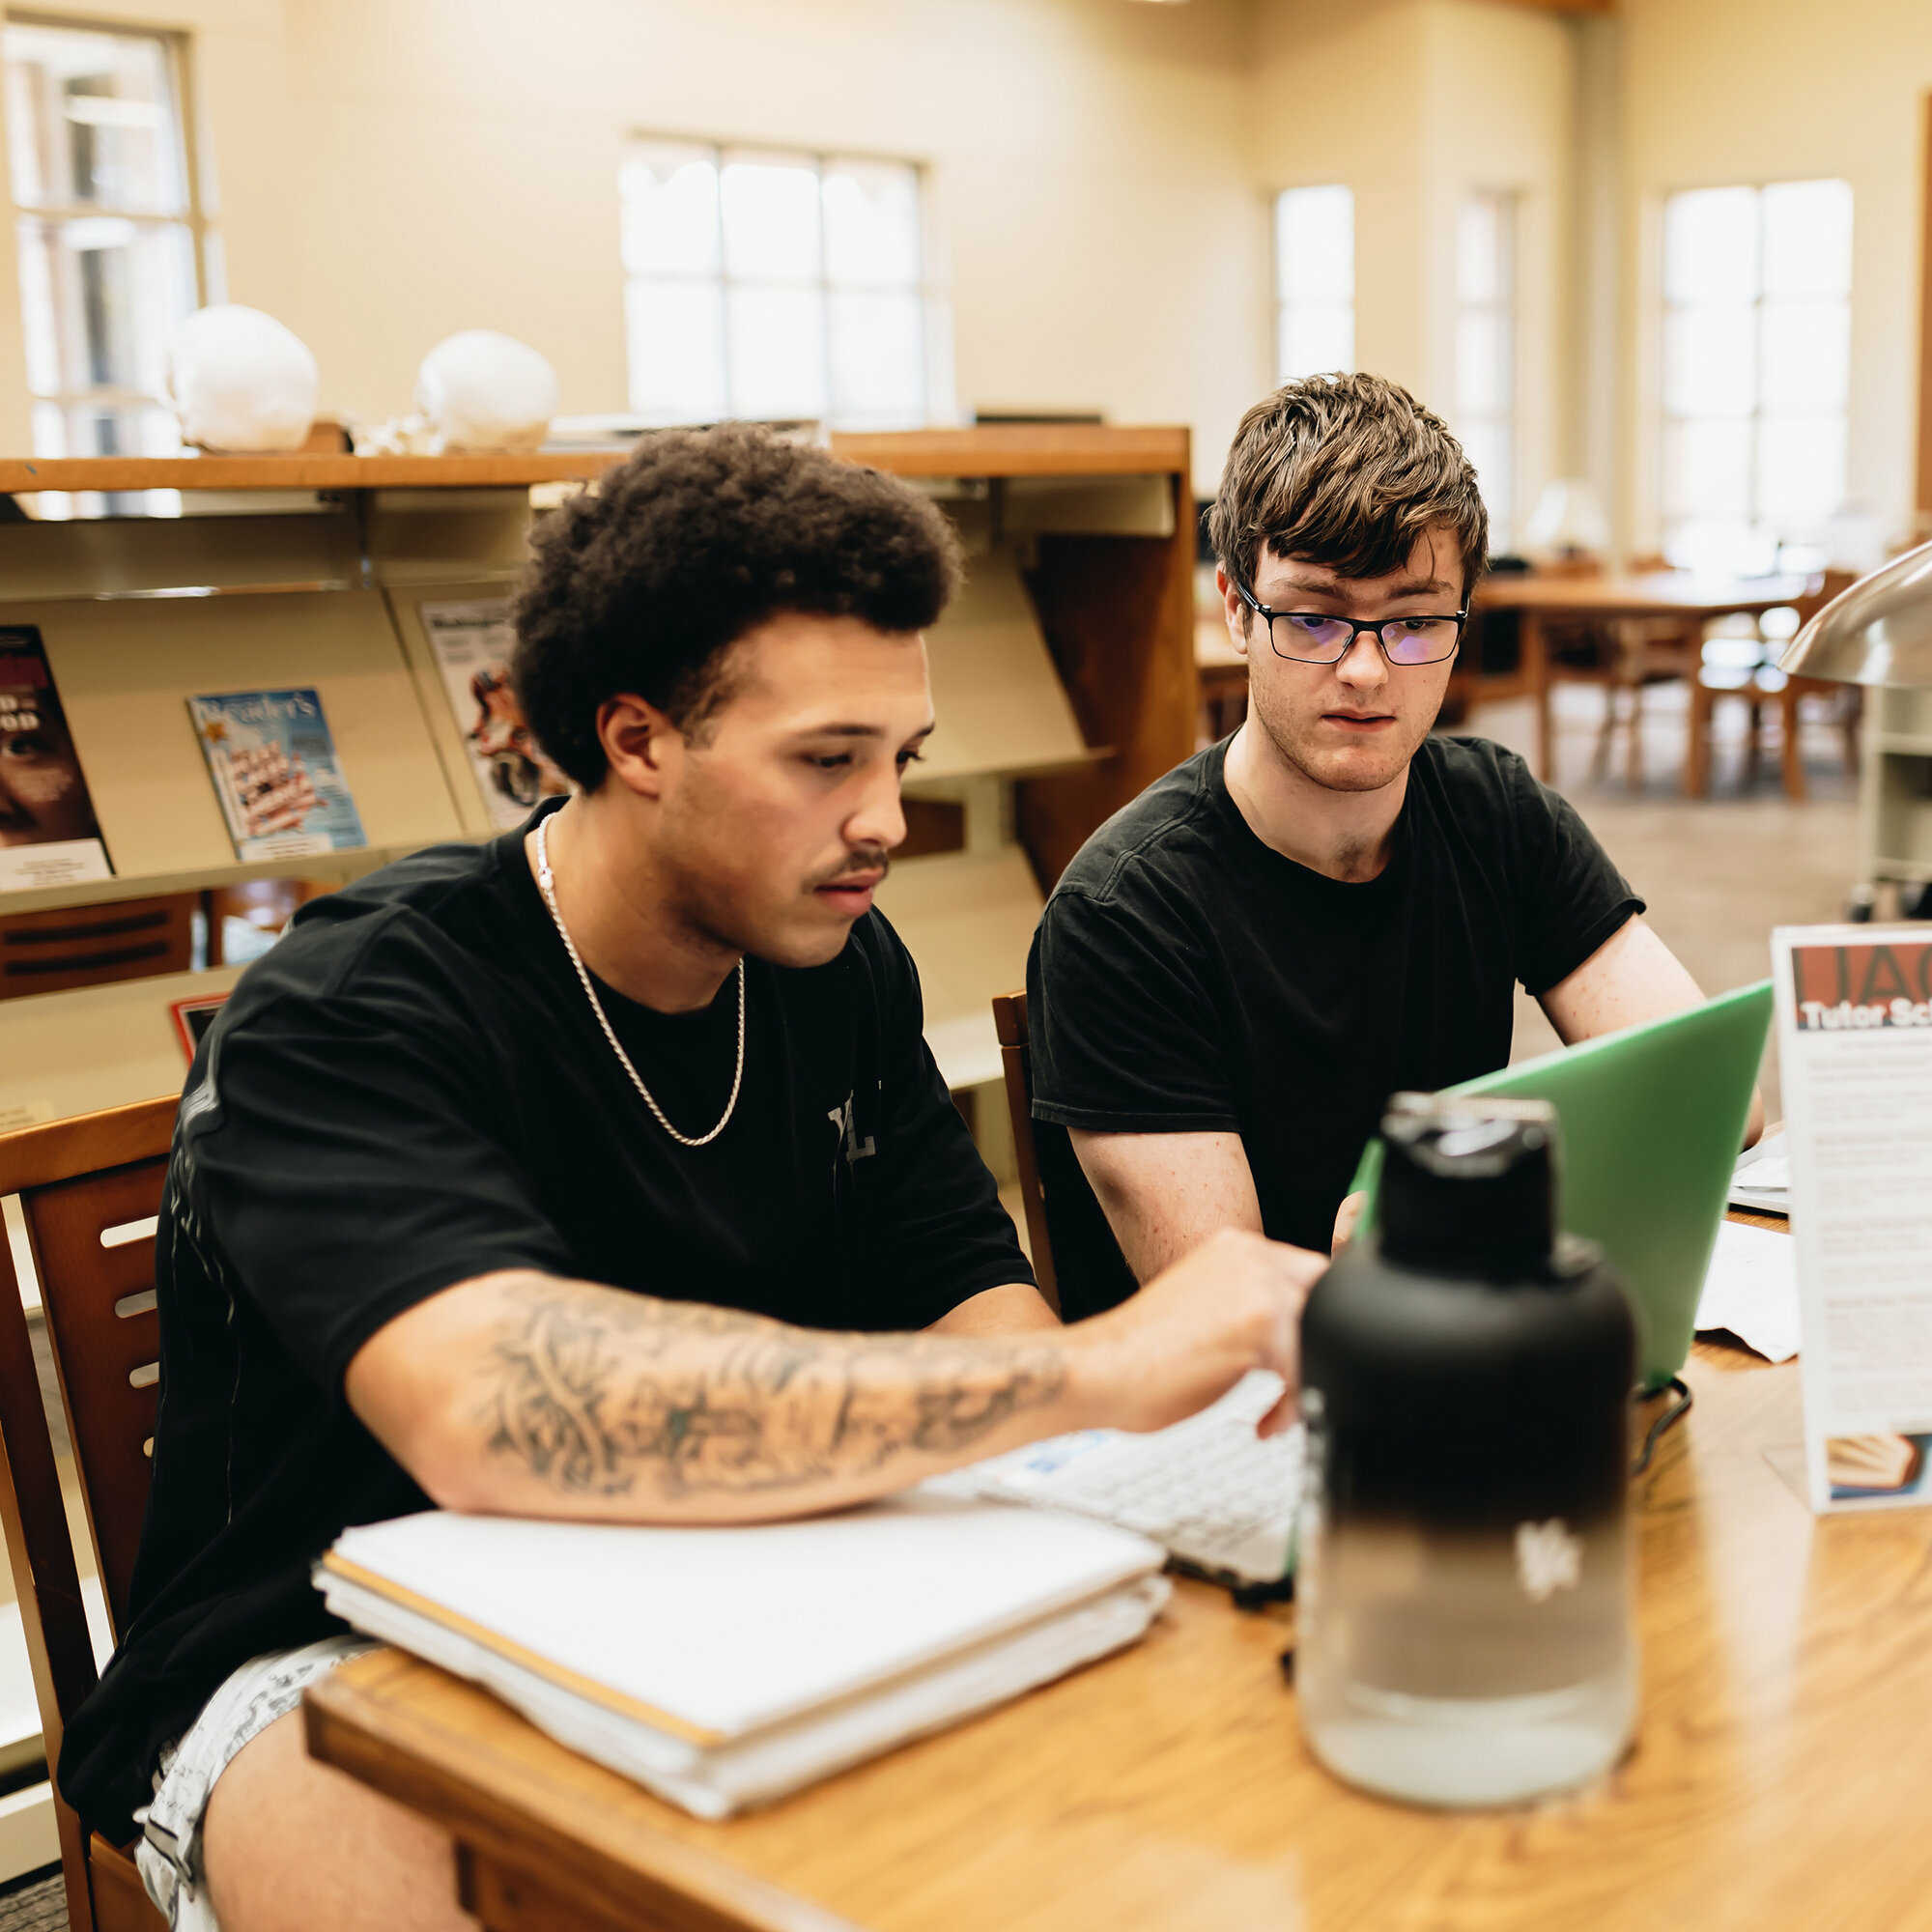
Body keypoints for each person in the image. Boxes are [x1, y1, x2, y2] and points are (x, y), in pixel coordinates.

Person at [58, 425, 1316, 1932]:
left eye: (897, 758)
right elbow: (498, 1411)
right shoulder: (347, 1012)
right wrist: (1106, 1374)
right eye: (826, 761)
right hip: (323, 1645)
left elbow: (966, 1292)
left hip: (747, 1561)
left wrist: (1105, 1470)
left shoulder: (832, 960)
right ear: (636, 739)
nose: (885, 823)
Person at [1027, 373, 1760, 1310]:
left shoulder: (1494, 812)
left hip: (1456, 1340)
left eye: (1414, 622)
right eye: (1314, 617)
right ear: (1234, 607)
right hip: (1233, 1425)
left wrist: (1464, 1188)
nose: (1366, 671)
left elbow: (1720, 1108)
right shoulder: (1122, 914)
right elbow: (1231, 1321)